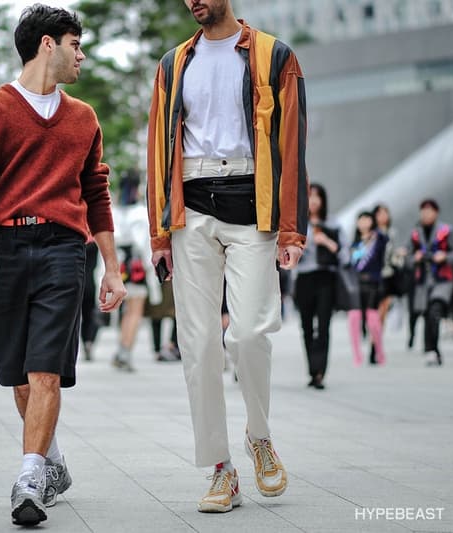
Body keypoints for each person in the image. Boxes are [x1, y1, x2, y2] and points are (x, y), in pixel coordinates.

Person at [0, 5, 126, 525]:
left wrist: (112, 267)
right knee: (19, 379)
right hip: (4, 248)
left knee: (44, 368)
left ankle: (27, 481)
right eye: (77, 44)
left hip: (64, 251)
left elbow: (97, 193)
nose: (82, 55)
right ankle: (51, 460)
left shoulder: (84, 118)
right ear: (48, 44)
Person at [146, 0, 307, 514]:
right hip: (191, 208)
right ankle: (221, 470)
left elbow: (292, 144)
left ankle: (259, 436)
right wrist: (158, 234)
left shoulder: (273, 55)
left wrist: (291, 230)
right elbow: (156, 149)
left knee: (252, 332)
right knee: (197, 344)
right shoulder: (173, 64)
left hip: (252, 206)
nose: (194, 0)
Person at [293, 183, 341, 389]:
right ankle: (312, 368)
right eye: (310, 195)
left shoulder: (333, 223)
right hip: (304, 279)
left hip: (325, 279)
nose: (313, 200)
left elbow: (345, 254)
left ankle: (319, 372)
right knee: (305, 326)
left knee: (323, 325)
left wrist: (327, 242)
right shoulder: (297, 223)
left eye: (317, 196)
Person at [111, 170, 153, 372]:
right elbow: (143, 244)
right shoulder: (140, 212)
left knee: (125, 311)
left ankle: (121, 349)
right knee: (135, 312)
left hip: (119, 263)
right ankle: (125, 351)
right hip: (135, 265)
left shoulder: (114, 211)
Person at [407, 199, 453, 366]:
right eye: (424, 211)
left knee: (435, 309)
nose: (426, 214)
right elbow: (407, 256)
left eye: (430, 211)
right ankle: (430, 350)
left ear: (436, 213)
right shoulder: (416, 232)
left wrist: (445, 256)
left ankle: (433, 349)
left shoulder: (447, 231)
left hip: (442, 279)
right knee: (427, 314)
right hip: (422, 280)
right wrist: (415, 258)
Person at [347, 212, 388, 366]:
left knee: (373, 320)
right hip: (356, 285)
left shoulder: (378, 240)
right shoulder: (355, 244)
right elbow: (350, 263)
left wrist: (374, 234)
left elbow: (385, 240)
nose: (363, 222)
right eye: (360, 219)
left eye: (366, 219)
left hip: (373, 284)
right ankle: (357, 355)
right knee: (354, 318)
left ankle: (379, 351)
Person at [370, 204, 405, 363]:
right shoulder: (371, 234)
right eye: (379, 213)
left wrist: (399, 256)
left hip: (389, 274)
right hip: (374, 276)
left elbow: (395, 254)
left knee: (383, 311)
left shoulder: (392, 233)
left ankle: (376, 343)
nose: (382, 216)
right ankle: (373, 342)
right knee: (375, 311)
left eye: (385, 213)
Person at [80, 241, 102, 361]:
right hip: (91, 284)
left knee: (73, 318)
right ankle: (88, 342)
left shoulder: (75, 238)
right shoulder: (95, 241)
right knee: (90, 316)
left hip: (75, 282)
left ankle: (86, 342)